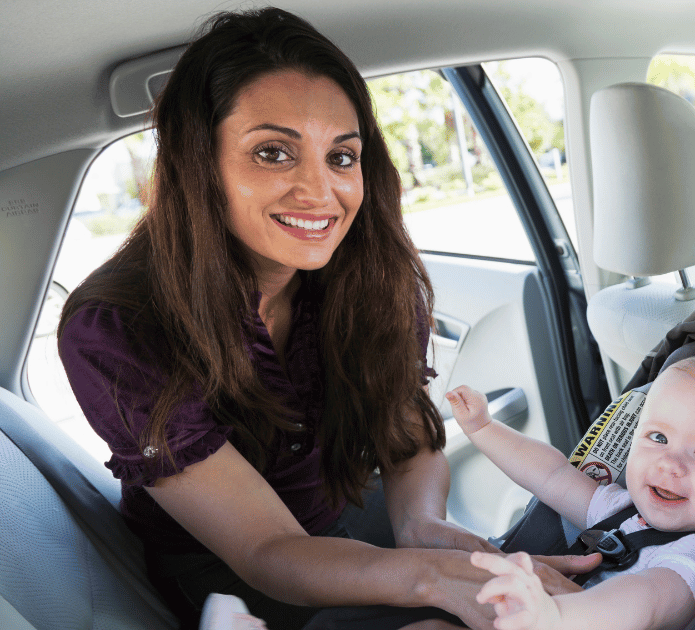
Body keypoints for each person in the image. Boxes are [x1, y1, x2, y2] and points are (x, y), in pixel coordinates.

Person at [56, 8, 594, 630]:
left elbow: (406, 437)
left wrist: (422, 525)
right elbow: (265, 552)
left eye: (342, 157)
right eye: (273, 152)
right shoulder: (115, 328)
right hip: (230, 578)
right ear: (197, 162)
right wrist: (433, 577)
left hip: (340, 524)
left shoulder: (371, 273)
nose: (320, 191)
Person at [443, 349, 695, 630]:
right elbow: (551, 475)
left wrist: (556, 616)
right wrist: (484, 428)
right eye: (658, 438)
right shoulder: (622, 508)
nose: (671, 464)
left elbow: (647, 600)